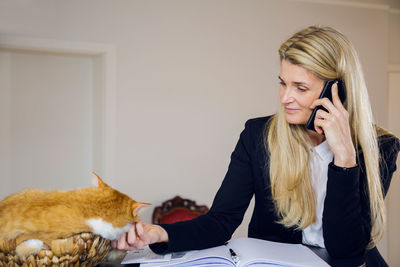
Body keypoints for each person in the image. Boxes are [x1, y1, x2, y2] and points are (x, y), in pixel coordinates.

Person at [113, 26, 400, 266]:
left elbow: (346, 250)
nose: (285, 97)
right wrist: (158, 233)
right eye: (282, 83)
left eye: (300, 88)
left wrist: (344, 158)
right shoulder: (257, 135)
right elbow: (221, 220)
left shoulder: (382, 147)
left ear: (338, 91)